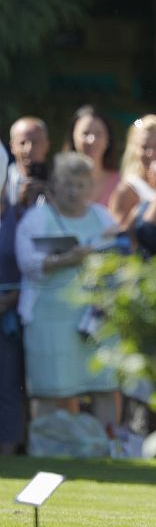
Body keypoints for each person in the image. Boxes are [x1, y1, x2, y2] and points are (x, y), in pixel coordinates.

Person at [15, 152, 120, 425]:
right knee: (48, 389)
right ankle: (47, 449)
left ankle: (107, 451)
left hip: (95, 319)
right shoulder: (36, 219)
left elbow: (120, 261)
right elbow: (27, 262)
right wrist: (66, 260)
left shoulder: (103, 218)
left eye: (80, 185)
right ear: (54, 185)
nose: (74, 191)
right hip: (48, 319)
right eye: (67, 184)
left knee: (104, 385)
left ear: (90, 187)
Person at [0, 165, 46, 453]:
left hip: (11, 315)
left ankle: (8, 455)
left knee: (9, 388)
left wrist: (10, 299)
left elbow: (30, 263)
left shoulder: (18, 216)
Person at [109, 114, 156, 226]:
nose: (151, 153)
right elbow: (119, 236)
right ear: (135, 149)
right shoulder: (127, 189)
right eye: (144, 147)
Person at [63, 105, 119, 207]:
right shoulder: (59, 183)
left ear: (108, 140)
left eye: (98, 134)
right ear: (73, 138)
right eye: (85, 133)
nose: (91, 140)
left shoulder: (120, 185)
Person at [3, 117, 49, 215]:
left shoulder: (60, 181)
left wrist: (50, 196)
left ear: (46, 145)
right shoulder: (3, 182)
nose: (28, 149)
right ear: (12, 147)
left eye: (35, 143)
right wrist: (17, 204)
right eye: (22, 143)